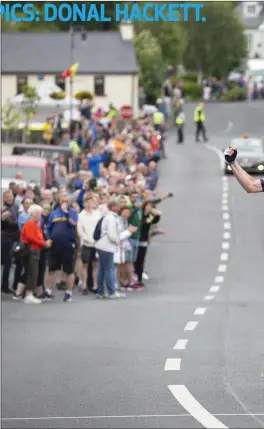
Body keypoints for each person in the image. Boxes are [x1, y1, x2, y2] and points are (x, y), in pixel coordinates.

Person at [95, 199, 137, 299]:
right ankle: (111, 292)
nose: (119, 207)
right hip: (107, 247)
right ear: (113, 207)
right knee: (109, 269)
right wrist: (127, 233)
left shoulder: (109, 217)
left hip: (102, 246)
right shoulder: (111, 218)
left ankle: (100, 292)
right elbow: (113, 235)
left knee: (102, 269)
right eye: (117, 206)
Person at [13, 205, 51, 304]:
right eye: (38, 213)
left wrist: (44, 242)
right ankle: (29, 294)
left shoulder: (35, 225)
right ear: (33, 214)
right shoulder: (29, 224)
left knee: (33, 272)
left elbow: (39, 237)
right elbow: (31, 237)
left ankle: (28, 293)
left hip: (35, 251)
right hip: (30, 251)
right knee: (31, 272)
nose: (40, 215)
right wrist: (44, 243)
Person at [45, 192, 79, 302]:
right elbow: (49, 228)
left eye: (66, 200)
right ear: (59, 201)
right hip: (55, 245)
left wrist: (66, 213)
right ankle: (48, 291)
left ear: (69, 201)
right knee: (51, 269)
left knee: (69, 270)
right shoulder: (54, 213)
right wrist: (49, 238)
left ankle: (68, 293)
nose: (64, 202)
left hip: (68, 245)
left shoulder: (73, 212)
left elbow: (73, 224)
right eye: (62, 200)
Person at [77, 195, 101, 295]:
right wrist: (88, 240)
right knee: (85, 265)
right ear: (84, 203)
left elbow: (100, 228)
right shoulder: (81, 215)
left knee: (95, 265)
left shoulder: (97, 214)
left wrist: (97, 240)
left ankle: (95, 285)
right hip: (86, 244)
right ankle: (84, 286)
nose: (89, 204)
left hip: (96, 244)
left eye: (91, 202)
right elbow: (80, 231)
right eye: (87, 202)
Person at [1, 190, 19, 294]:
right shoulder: (3, 208)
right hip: (6, 238)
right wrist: (20, 223)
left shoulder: (15, 206)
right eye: (7, 197)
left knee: (17, 262)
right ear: (4, 197)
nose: (9, 198)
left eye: (10, 196)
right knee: (7, 263)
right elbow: (6, 223)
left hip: (16, 237)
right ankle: (4, 285)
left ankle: (15, 284)